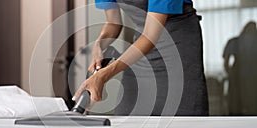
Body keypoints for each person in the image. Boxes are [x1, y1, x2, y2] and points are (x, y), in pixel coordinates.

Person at [73, 0, 209, 116]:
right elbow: (113, 22)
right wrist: (99, 44)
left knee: (181, 117)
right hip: (141, 45)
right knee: (128, 112)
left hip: (178, 44)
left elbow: (151, 35)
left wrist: (104, 75)